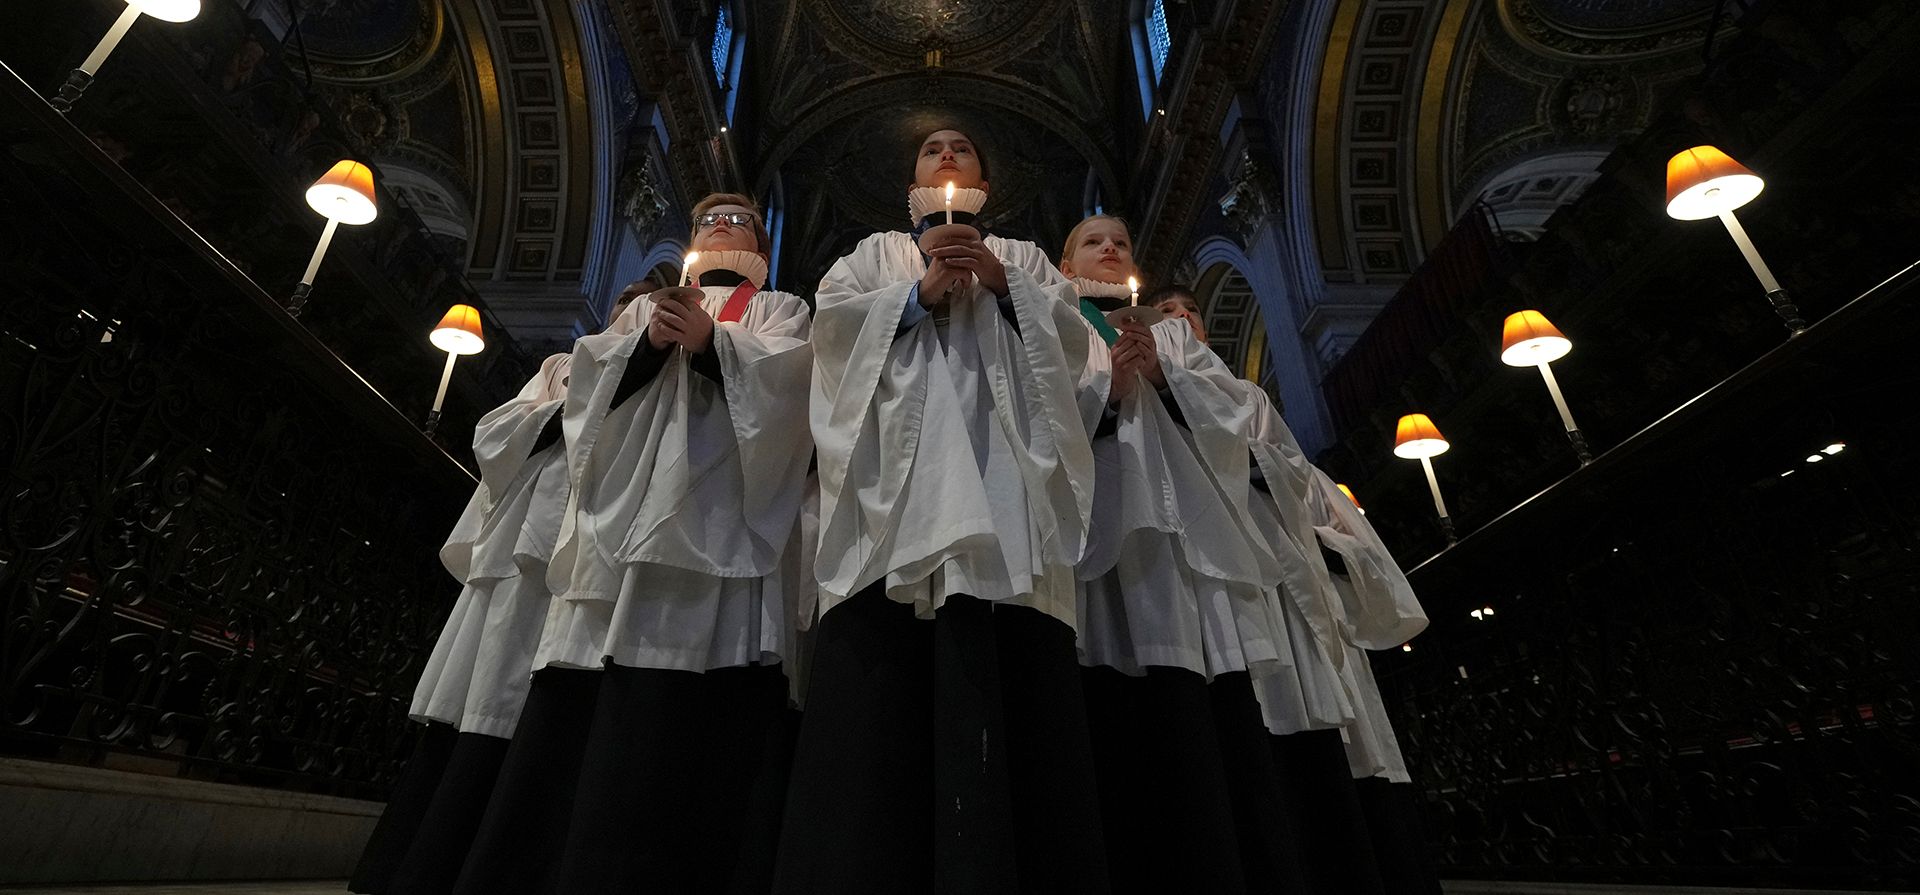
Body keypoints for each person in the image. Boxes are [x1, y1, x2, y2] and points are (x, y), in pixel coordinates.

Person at [776, 126, 1109, 893]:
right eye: (932, 148)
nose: (948, 153)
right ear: (912, 182)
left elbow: (1070, 349)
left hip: (1004, 515)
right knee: (880, 729)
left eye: (962, 146)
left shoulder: (1022, 258)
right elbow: (830, 334)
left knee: (1007, 722)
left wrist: (1002, 283)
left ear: (985, 182)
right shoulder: (872, 258)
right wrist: (913, 297)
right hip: (896, 516)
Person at [350, 282, 648, 895]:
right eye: (624, 309)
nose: (628, 320)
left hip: (596, 546)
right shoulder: (561, 367)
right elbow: (498, 433)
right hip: (524, 550)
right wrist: (577, 406)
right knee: (490, 687)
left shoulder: (658, 368)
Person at [1059, 214, 1299, 893]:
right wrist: (1102, 391)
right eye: (1093, 241)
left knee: (1194, 733)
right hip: (1091, 543)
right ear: (1063, 258)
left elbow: (1235, 421)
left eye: (1123, 242)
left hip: (1179, 546)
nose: (1111, 249)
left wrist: (1167, 379)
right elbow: (1032, 417)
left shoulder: (1171, 336)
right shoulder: (1052, 325)